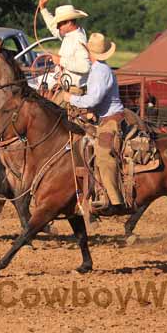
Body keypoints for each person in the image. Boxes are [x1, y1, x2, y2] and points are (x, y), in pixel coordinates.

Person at [62, 32, 127, 214]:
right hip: (103, 117)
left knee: (103, 152)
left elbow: (93, 99)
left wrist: (71, 98)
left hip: (111, 120)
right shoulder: (97, 69)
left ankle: (115, 201)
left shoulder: (100, 71)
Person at [39, 0, 91, 105]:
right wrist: (43, 9)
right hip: (66, 89)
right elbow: (53, 27)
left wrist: (60, 61)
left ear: (68, 22)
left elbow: (85, 66)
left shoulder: (78, 39)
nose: (57, 26)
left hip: (73, 92)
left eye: (60, 24)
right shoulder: (69, 34)